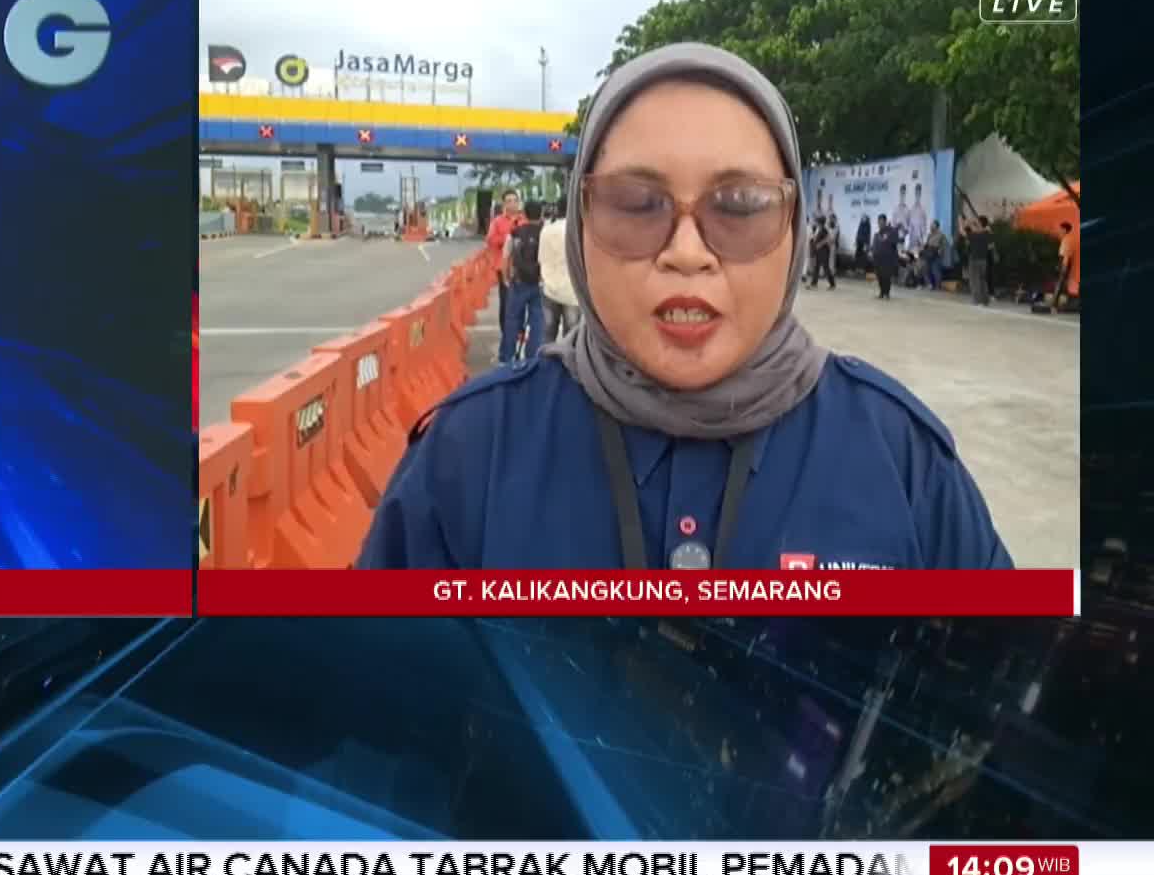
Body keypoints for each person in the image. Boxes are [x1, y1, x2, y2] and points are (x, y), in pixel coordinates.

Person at [357, 42, 1009, 570]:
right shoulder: (470, 453)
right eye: (638, 205)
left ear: (792, 227)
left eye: (741, 206)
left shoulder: (900, 457)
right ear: (581, 222)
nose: (688, 252)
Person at [501, 211, 546, 362]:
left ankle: (507, 357)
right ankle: (532, 358)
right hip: (538, 283)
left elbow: (506, 257)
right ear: (541, 214)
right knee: (537, 322)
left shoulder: (515, 233)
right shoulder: (545, 232)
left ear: (525, 214)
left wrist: (506, 277)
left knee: (512, 320)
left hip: (518, 282)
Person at [485, 193, 521, 354]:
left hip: (523, 269)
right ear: (504, 204)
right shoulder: (497, 222)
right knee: (507, 303)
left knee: (520, 304)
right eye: (508, 201)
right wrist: (508, 237)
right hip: (504, 269)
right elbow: (491, 240)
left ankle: (519, 334)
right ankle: (506, 335)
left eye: (514, 200)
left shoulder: (524, 220)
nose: (512, 204)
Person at [539, 205, 578, 341]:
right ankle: (567, 361)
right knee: (571, 333)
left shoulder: (546, 230)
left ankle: (546, 361)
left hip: (549, 288)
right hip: (572, 290)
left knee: (548, 332)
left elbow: (541, 259)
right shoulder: (579, 230)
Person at [961, 214, 992, 306]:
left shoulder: (974, 235)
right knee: (982, 280)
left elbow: (962, 231)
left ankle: (977, 300)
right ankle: (985, 300)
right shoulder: (987, 233)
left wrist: (962, 222)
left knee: (975, 281)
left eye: (977, 222)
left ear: (979, 224)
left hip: (974, 259)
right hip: (983, 260)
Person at [871, 213, 899, 300]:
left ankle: (887, 293)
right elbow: (875, 245)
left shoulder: (891, 231)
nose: (880, 223)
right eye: (878, 221)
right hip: (878, 258)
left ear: (885, 221)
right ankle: (882, 292)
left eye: (881, 221)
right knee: (879, 276)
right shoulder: (877, 234)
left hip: (888, 259)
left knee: (886, 276)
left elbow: (895, 242)